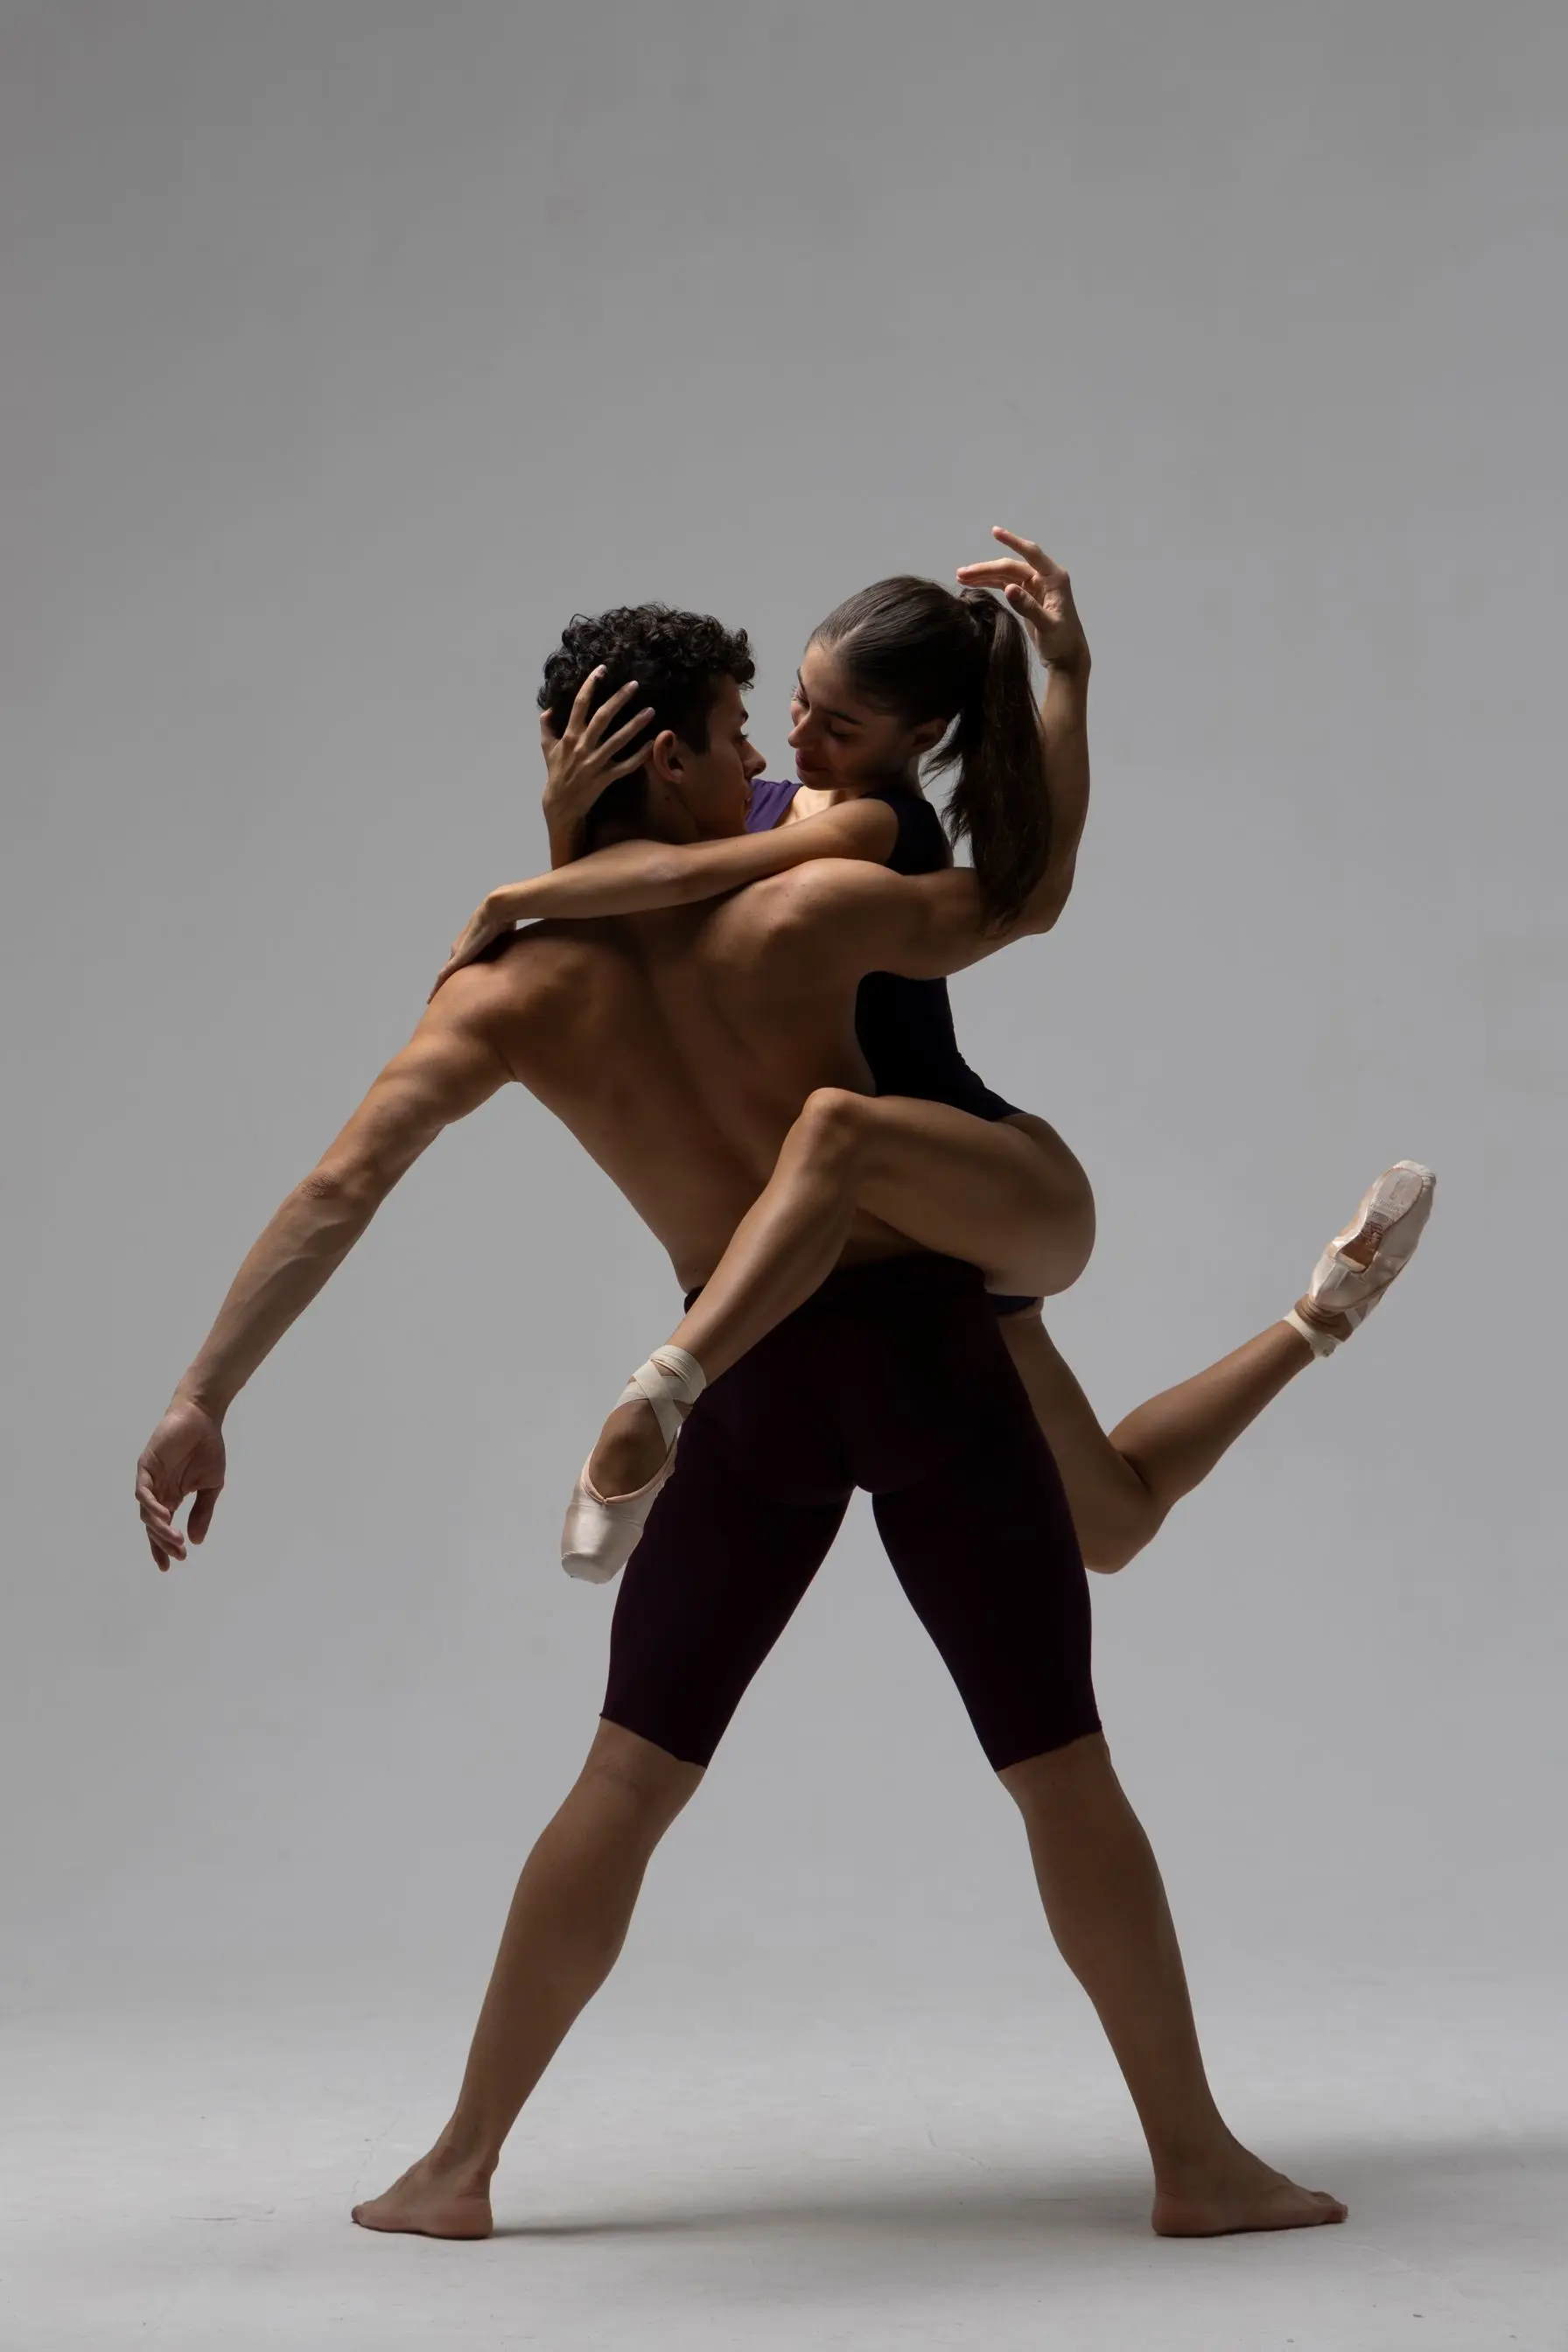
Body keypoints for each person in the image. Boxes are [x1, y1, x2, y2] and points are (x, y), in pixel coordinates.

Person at [136, 590, 1359, 2249]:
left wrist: (204, 1392)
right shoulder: (816, 911)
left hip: (754, 1388)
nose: (762, 762)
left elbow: (342, 1182)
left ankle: (455, 2166)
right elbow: (1017, 898)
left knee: (626, 1777)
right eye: (732, 736)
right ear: (670, 757)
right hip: (923, 1351)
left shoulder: (502, 994)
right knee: (1060, 1770)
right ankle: (1198, 2162)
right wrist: (1062, 691)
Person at [437, 535, 1433, 1579]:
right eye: (797, 704)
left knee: (836, 1130)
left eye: (838, 723)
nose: (798, 736)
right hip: (889, 1239)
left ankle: (660, 1396)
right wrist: (566, 828)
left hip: (956, 1176)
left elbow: (691, 887)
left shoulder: (874, 826)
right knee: (1114, 1526)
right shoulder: (755, 799)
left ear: (921, 734)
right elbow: (632, 968)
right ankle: (1321, 1316)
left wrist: (529, 886)